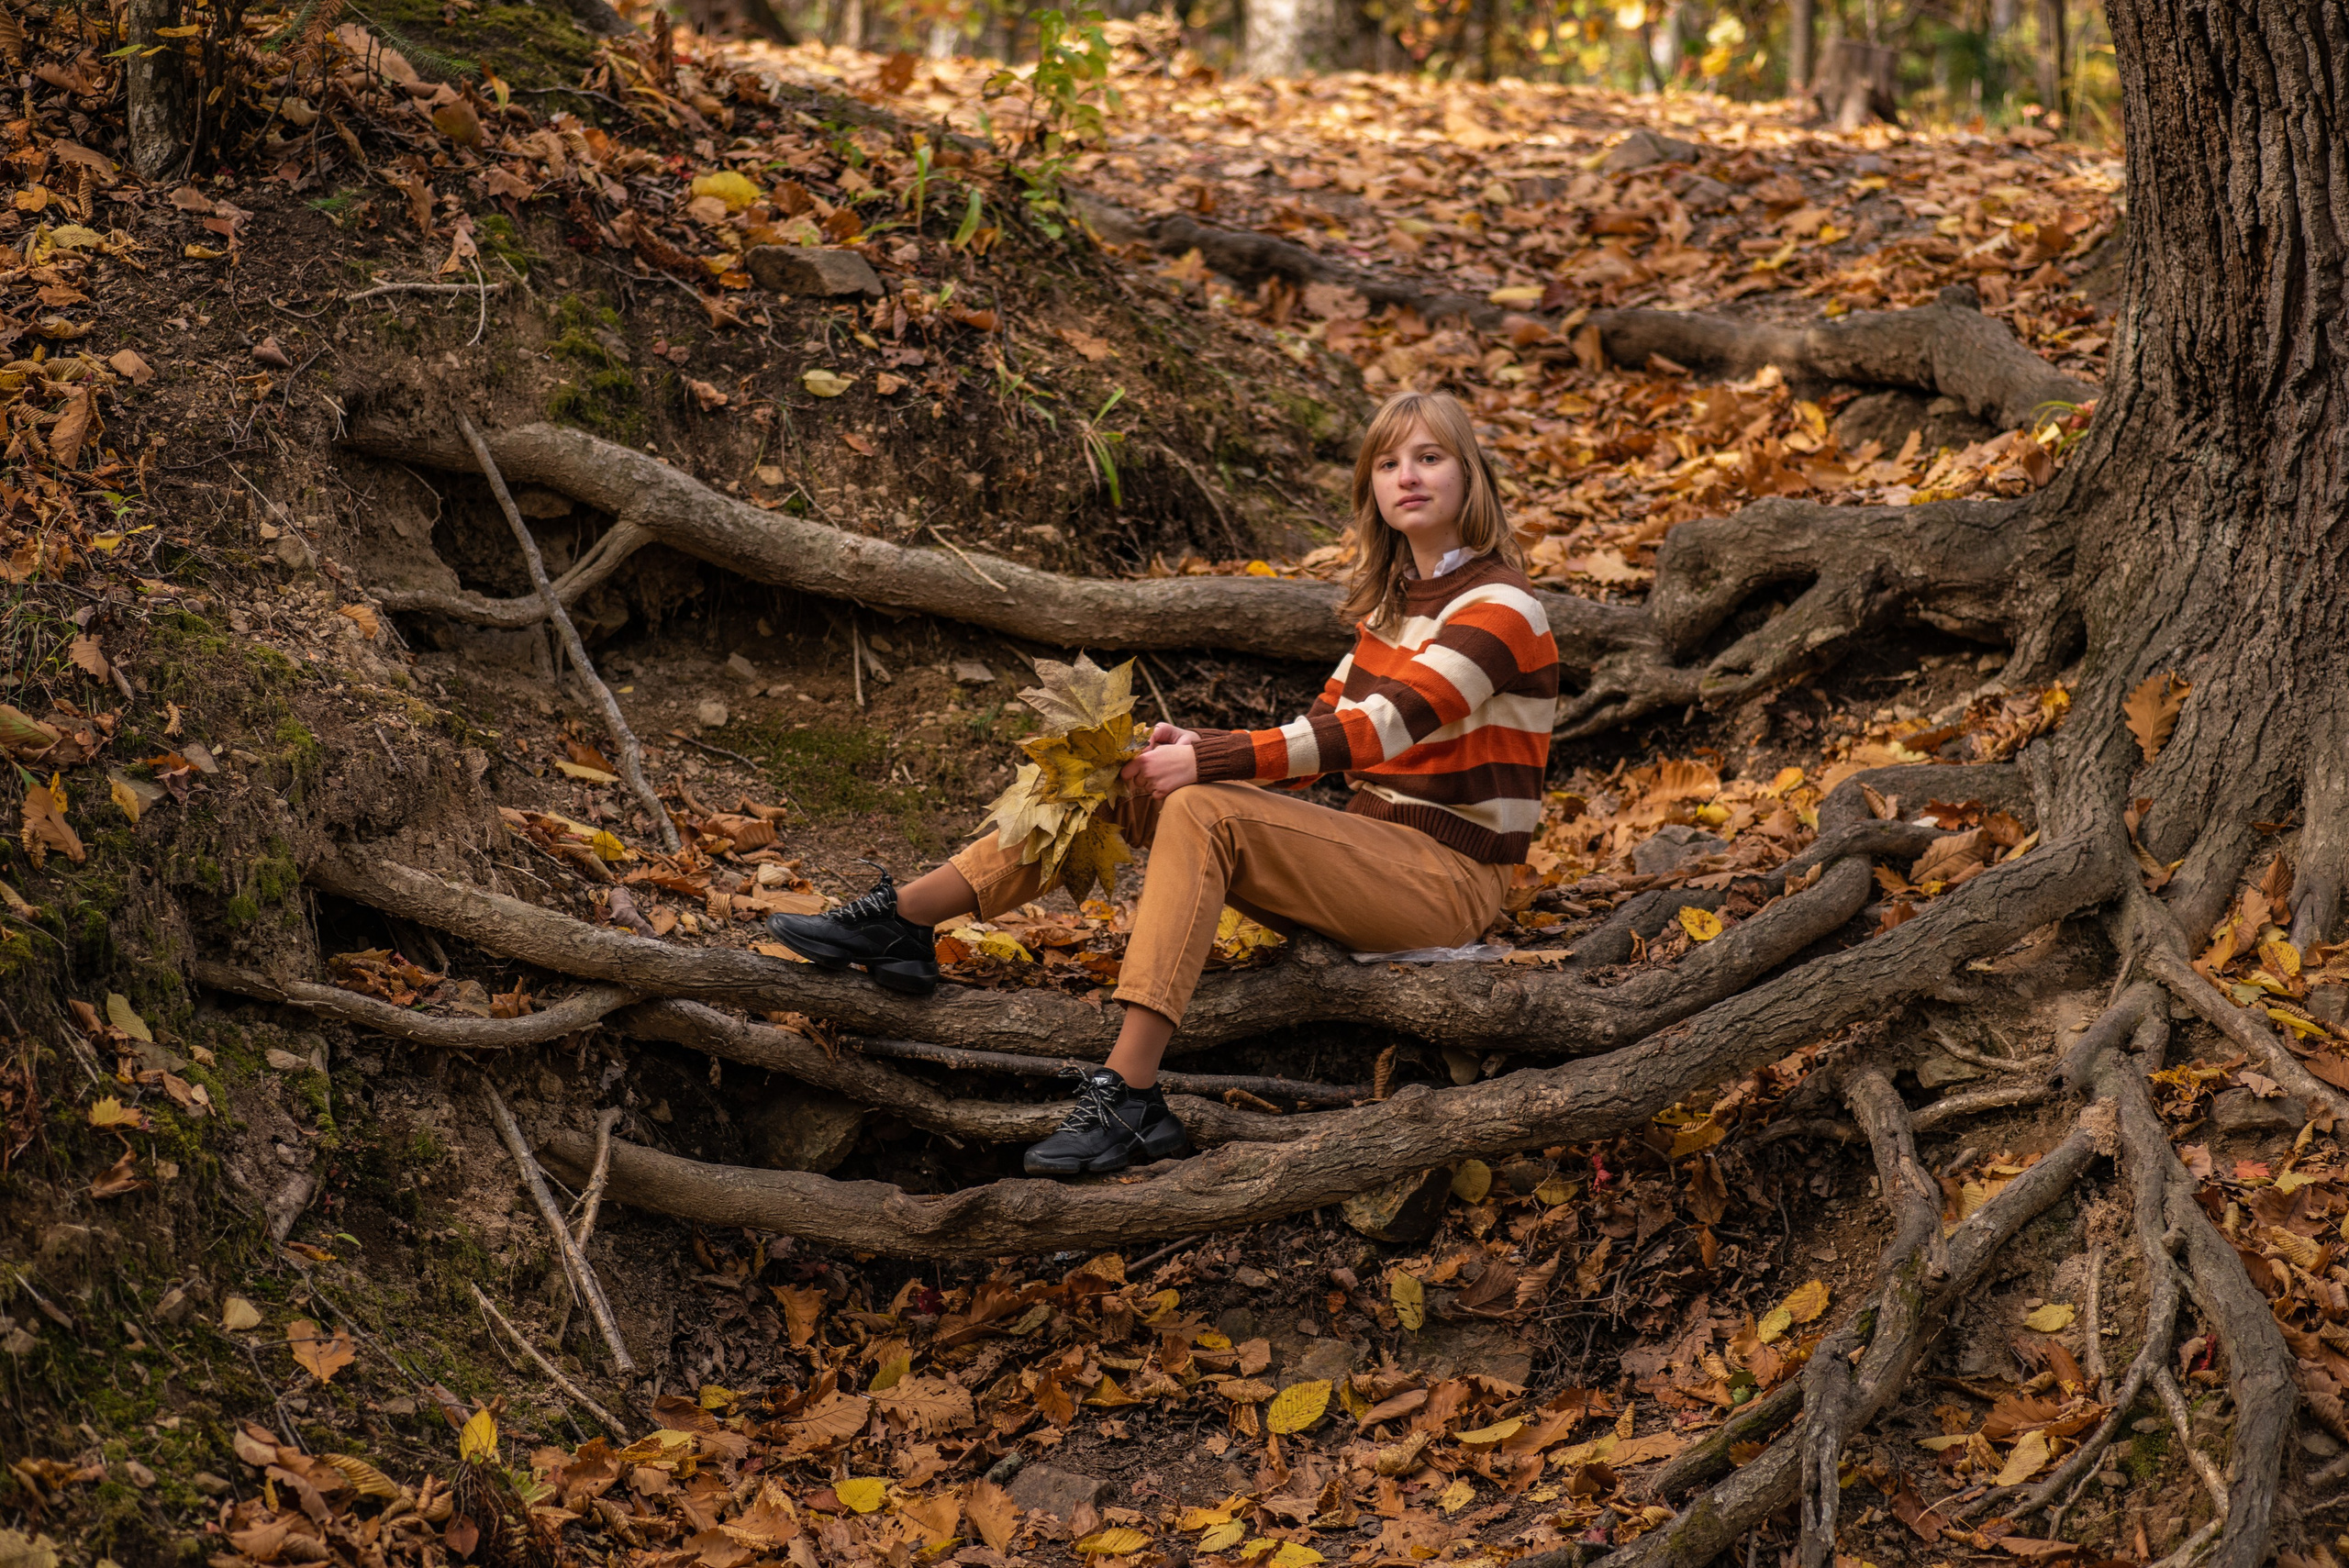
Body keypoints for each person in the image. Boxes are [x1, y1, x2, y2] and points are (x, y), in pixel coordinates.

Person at [771, 390, 1560, 1176]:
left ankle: (1130, 1094)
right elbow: (1325, 736)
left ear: (1470, 477)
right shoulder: (1389, 614)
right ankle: (906, 920)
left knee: (1204, 804)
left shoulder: (1504, 606)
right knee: (1121, 771)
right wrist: (1190, 748)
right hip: (1376, 854)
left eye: (1430, 457)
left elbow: (1384, 727)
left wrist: (1211, 759)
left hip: (1448, 881)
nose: (1407, 476)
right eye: (1388, 463)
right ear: (1371, 491)